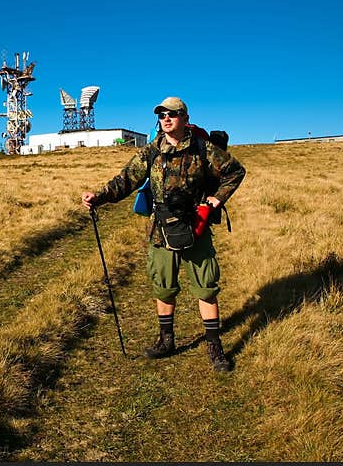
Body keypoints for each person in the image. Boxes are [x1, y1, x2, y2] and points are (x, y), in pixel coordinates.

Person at [81, 96, 246, 371]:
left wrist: (215, 201)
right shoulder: (151, 151)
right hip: (161, 229)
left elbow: (234, 172)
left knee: (206, 286)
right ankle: (166, 340)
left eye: (172, 114)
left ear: (184, 117)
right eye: (161, 115)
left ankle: (215, 348)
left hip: (196, 227)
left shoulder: (202, 148)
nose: (166, 119)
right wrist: (99, 196)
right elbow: (126, 180)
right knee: (163, 285)